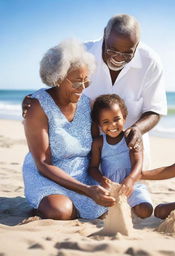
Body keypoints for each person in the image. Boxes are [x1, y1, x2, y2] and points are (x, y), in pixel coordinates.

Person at [22, 14, 167, 169]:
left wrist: (138, 129)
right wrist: (39, 98)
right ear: (104, 34)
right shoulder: (80, 53)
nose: (118, 58)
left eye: (127, 54)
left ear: (137, 45)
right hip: (87, 155)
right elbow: (58, 82)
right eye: (112, 51)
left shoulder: (151, 62)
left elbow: (155, 109)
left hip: (129, 152)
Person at [22, 39, 116, 220]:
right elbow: (43, 163)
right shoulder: (37, 106)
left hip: (82, 175)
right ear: (57, 79)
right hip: (48, 174)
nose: (82, 89)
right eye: (76, 82)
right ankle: (43, 205)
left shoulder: (88, 105)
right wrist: (88, 191)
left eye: (86, 82)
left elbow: (100, 144)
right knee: (60, 211)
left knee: (110, 207)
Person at [89, 94, 153, 218]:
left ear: (124, 118)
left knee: (145, 211)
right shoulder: (98, 143)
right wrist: (102, 180)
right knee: (99, 212)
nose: (112, 125)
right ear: (99, 124)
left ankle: (130, 206)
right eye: (105, 122)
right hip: (110, 187)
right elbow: (92, 168)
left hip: (131, 185)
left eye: (116, 119)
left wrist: (130, 180)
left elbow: (138, 163)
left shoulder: (131, 138)